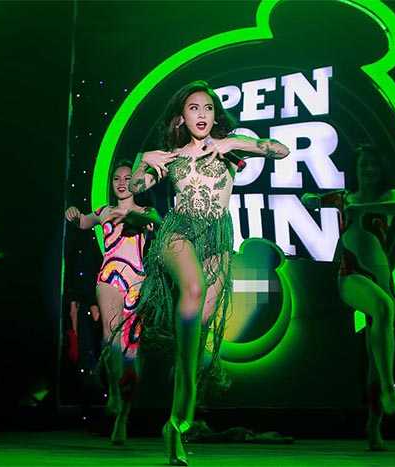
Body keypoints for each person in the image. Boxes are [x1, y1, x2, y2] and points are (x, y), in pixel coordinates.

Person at [128, 80, 289, 465]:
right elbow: (136, 185)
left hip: (217, 239)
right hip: (178, 232)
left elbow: (280, 150)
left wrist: (233, 143)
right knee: (194, 289)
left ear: (215, 116)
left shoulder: (230, 148)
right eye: (193, 108)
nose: (201, 114)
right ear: (181, 118)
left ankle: (177, 421)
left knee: (196, 335)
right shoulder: (171, 157)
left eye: (208, 108)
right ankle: (179, 409)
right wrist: (142, 160)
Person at [301, 144, 395, 450]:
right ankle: (390, 389)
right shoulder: (345, 197)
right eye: (363, 165)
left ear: (381, 169)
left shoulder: (388, 197)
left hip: (381, 280)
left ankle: (374, 427)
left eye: (373, 165)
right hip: (351, 275)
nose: (368, 170)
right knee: (384, 308)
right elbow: (310, 199)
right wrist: (315, 200)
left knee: (377, 357)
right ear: (357, 168)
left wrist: (361, 209)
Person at [65, 161, 160, 444]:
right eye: (117, 178)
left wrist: (131, 217)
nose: (121, 183)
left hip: (137, 282)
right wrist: (73, 214)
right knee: (110, 336)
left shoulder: (145, 212)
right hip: (109, 275)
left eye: (127, 178)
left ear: (136, 182)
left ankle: (123, 416)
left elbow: (155, 221)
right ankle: (115, 395)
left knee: (131, 352)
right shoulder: (104, 211)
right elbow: (83, 221)